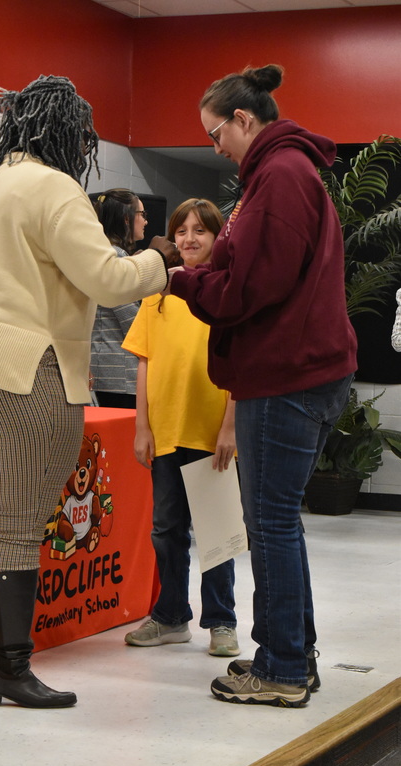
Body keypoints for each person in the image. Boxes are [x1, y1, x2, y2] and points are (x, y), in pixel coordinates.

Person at [0, 75, 178, 710]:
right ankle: (8, 668)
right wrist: (160, 261)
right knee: (19, 521)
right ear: (65, 131)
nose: (87, 146)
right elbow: (108, 278)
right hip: (18, 371)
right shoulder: (54, 187)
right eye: (84, 134)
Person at [164, 65, 357, 707]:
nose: (214, 148)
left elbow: (250, 288)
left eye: (215, 134)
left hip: (286, 377)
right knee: (279, 525)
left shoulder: (279, 176)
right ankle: (292, 654)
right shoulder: (282, 173)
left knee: (270, 524)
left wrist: (180, 281)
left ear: (243, 120)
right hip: (297, 372)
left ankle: (280, 669)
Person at [122, 198, 240, 658]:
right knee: (166, 528)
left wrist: (229, 426)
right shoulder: (157, 294)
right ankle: (171, 617)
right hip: (166, 431)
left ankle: (221, 622)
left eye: (200, 231)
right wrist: (141, 426)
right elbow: (145, 363)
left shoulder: (227, 292)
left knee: (217, 531)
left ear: (217, 238)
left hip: (211, 432)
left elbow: (238, 365)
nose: (189, 239)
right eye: (182, 231)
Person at [90, 189, 148, 408]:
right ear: (126, 218)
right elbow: (134, 324)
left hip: (104, 371)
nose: (145, 220)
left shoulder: (102, 253)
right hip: (120, 375)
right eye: (142, 214)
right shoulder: (116, 257)